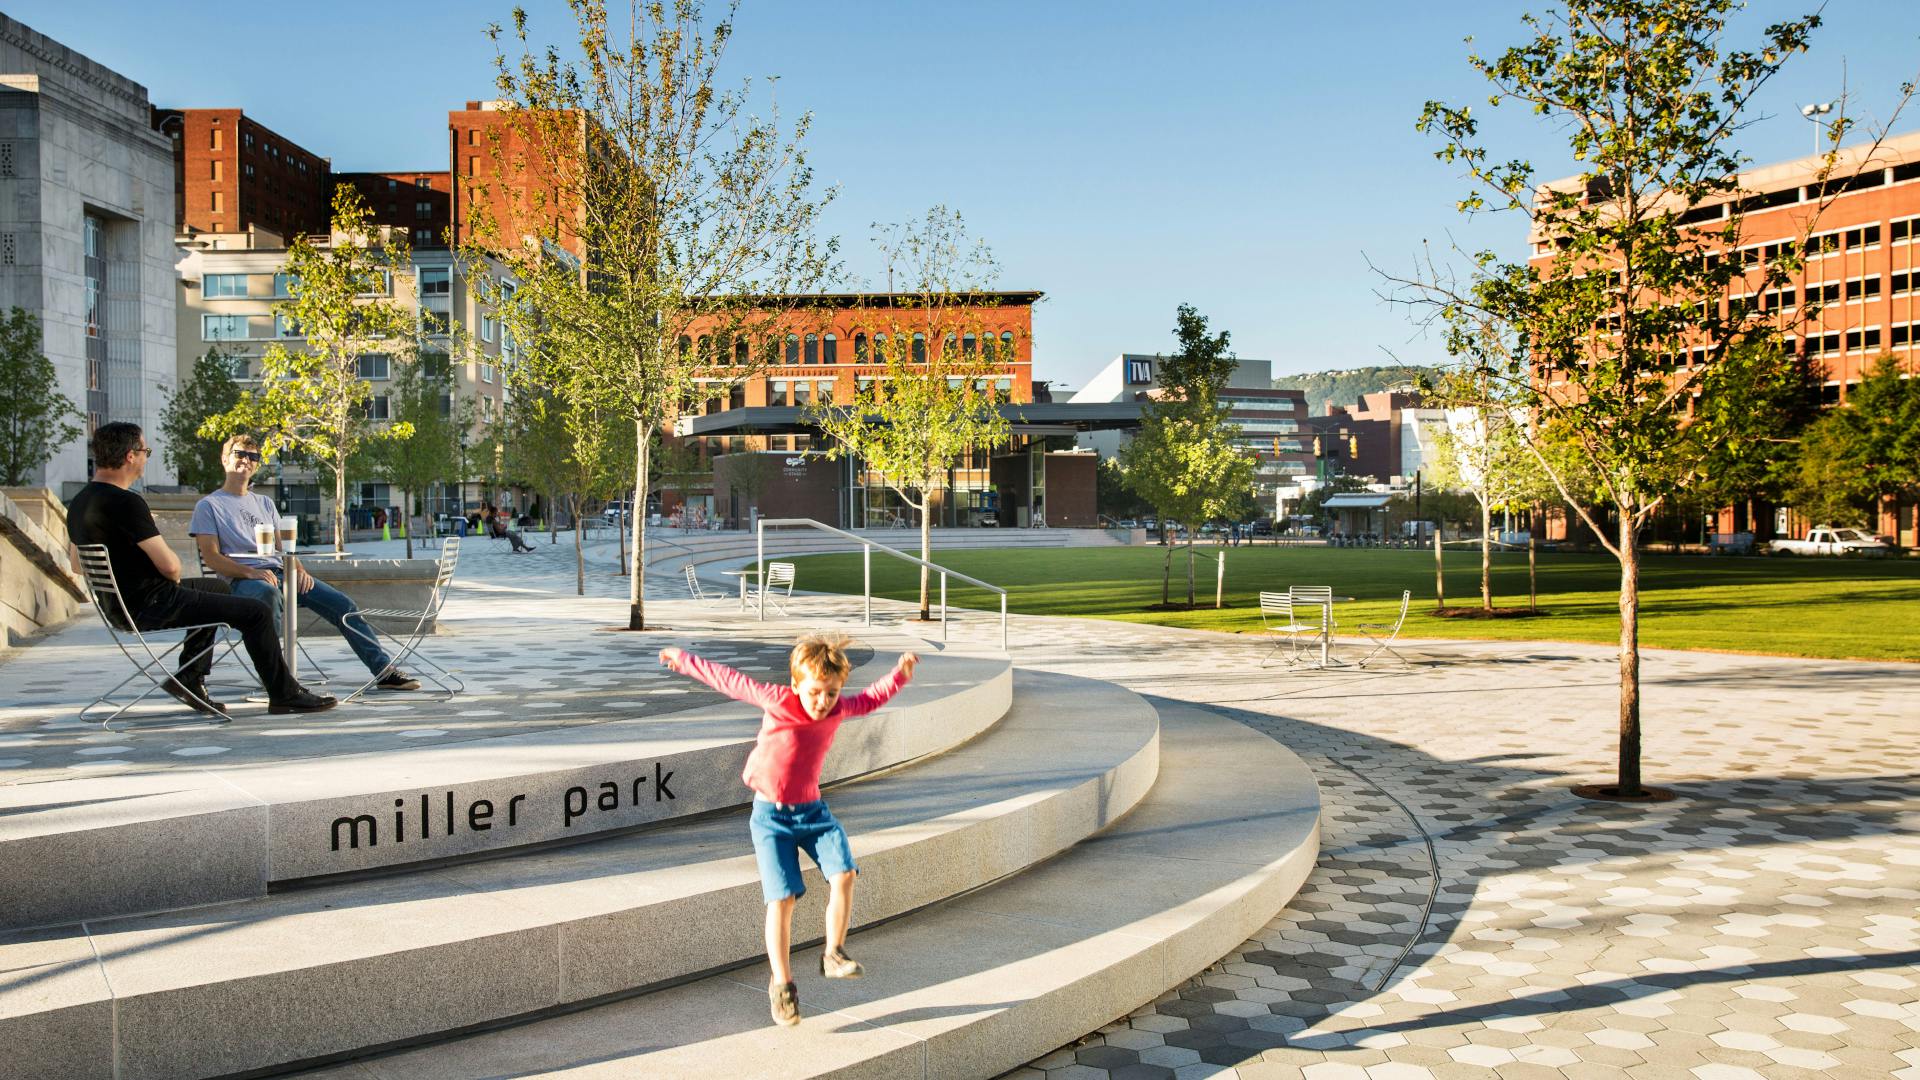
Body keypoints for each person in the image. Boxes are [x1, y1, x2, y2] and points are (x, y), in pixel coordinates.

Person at [658, 635, 917, 1029]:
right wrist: (684, 660)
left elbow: (869, 700)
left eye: (830, 694)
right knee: (782, 900)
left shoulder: (837, 709)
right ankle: (782, 985)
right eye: (815, 693)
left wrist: (899, 676)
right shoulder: (777, 700)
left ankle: (833, 953)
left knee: (844, 873)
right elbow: (727, 678)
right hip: (770, 818)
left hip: (813, 813)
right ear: (796, 686)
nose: (822, 702)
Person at [65, 423, 335, 716]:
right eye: (145, 451)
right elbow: (171, 567)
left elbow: (77, 565)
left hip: (118, 606)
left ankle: (189, 677)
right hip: (151, 602)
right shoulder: (127, 502)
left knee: (216, 588)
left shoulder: (79, 502)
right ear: (131, 456)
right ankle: (284, 694)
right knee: (254, 612)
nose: (146, 458)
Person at [190, 435, 420, 693]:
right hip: (241, 582)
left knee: (343, 605)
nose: (247, 460)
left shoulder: (264, 502)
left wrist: (299, 570)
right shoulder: (209, 505)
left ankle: (383, 671)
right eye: (240, 454)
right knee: (268, 594)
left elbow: (283, 548)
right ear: (225, 458)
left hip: (280, 574)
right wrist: (252, 573)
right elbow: (211, 558)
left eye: (253, 457)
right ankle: (278, 680)